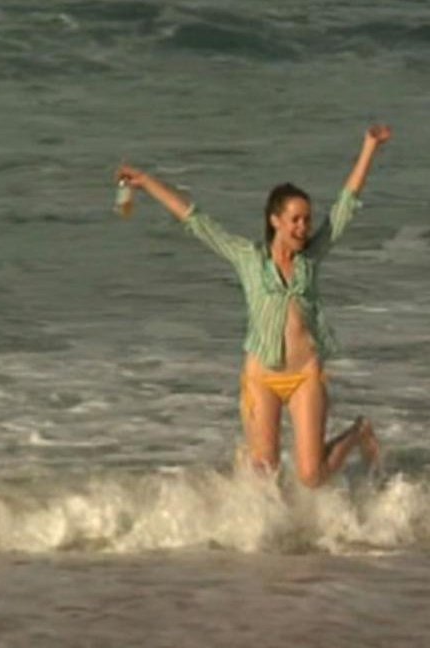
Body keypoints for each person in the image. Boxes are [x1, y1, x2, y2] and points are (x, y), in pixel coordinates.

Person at [115, 124, 392, 488]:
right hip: (262, 377)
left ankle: (358, 432)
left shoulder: (312, 257)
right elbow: (196, 221)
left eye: (307, 219)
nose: (303, 227)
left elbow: (345, 206)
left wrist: (369, 147)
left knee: (311, 476)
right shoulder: (248, 258)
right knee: (264, 472)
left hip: (306, 374)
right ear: (275, 221)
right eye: (295, 219)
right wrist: (146, 183)